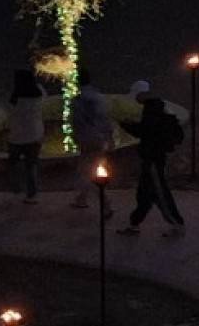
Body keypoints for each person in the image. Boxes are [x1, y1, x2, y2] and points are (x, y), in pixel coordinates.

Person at [118, 84, 185, 236]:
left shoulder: (151, 111)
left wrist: (125, 125)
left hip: (153, 158)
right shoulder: (159, 108)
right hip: (153, 157)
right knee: (144, 193)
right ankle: (134, 223)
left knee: (159, 192)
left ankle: (177, 224)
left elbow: (145, 132)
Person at [68, 84, 116, 211]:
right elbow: (106, 120)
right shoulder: (99, 100)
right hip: (99, 140)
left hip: (87, 140)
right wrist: (109, 138)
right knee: (89, 169)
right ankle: (82, 198)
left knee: (88, 171)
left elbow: (75, 122)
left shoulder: (78, 101)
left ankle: (105, 205)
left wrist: (75, 137)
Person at [5, 69, 44, 204]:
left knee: (13, 164)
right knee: (31, 166)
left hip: (15, 136)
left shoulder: (12, 98)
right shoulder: (39, 94)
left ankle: (16, 189)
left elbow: (4, 108)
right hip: (34, 135)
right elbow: (41, 90)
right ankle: (32, 194)